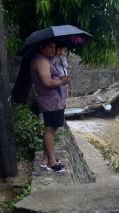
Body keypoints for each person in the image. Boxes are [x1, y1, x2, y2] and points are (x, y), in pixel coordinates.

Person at [31, 39, 70, 172]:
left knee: (51, 130)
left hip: (54, 101)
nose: (53, 50)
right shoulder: (42, 61)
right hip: (51, 102)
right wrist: (62, 81)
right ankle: (52, 163)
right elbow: (47, 82)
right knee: (50, 130)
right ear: (42, 47)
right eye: (50, 48)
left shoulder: (44, 59)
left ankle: (46, 159)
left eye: (54, 47)